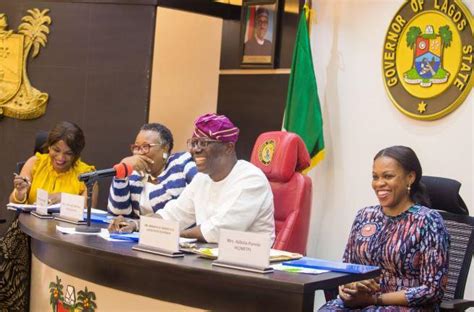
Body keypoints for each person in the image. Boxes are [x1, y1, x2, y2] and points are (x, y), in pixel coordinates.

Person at [110, 113, 275, 244]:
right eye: (193, 143)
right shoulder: (202, 179)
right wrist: (137, 225)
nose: (195, 150)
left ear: (228, 147)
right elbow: (172, 215)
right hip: (212, 260)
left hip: (251, 267)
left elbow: (218, 230)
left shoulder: (251, 179)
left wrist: (167, 233)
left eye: (203, 143)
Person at [319, 146, 449, 311]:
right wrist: (347, 288)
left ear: (410, 177)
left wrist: (375, 299)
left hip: (407, 307)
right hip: (362, 302)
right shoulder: (364, 216)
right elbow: (347, 268)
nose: (379, 183)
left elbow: (432, 290)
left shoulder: (428, 221)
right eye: (375, 177)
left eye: (388, 176)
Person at [2, 121, 96, 311]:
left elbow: (89, 212)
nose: (60, 158)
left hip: (64, 239)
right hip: (26, 234)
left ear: (76, 154)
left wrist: (64, 198)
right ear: (48, 146)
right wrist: (21, 192)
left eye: (68, 153)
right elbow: (17, 200)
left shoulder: (86, 174)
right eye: (56, 150)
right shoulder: (35, 163)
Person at [107, 123, 197, 231]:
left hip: (180, 238)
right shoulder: (135, 173)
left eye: (146, 147)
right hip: (143, 237)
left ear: (165, 148)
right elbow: (118, 213)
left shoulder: (181, 163)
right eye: (136, 147)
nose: (139, 153)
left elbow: (198, 199)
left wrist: (138, 224)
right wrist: (122, 172)